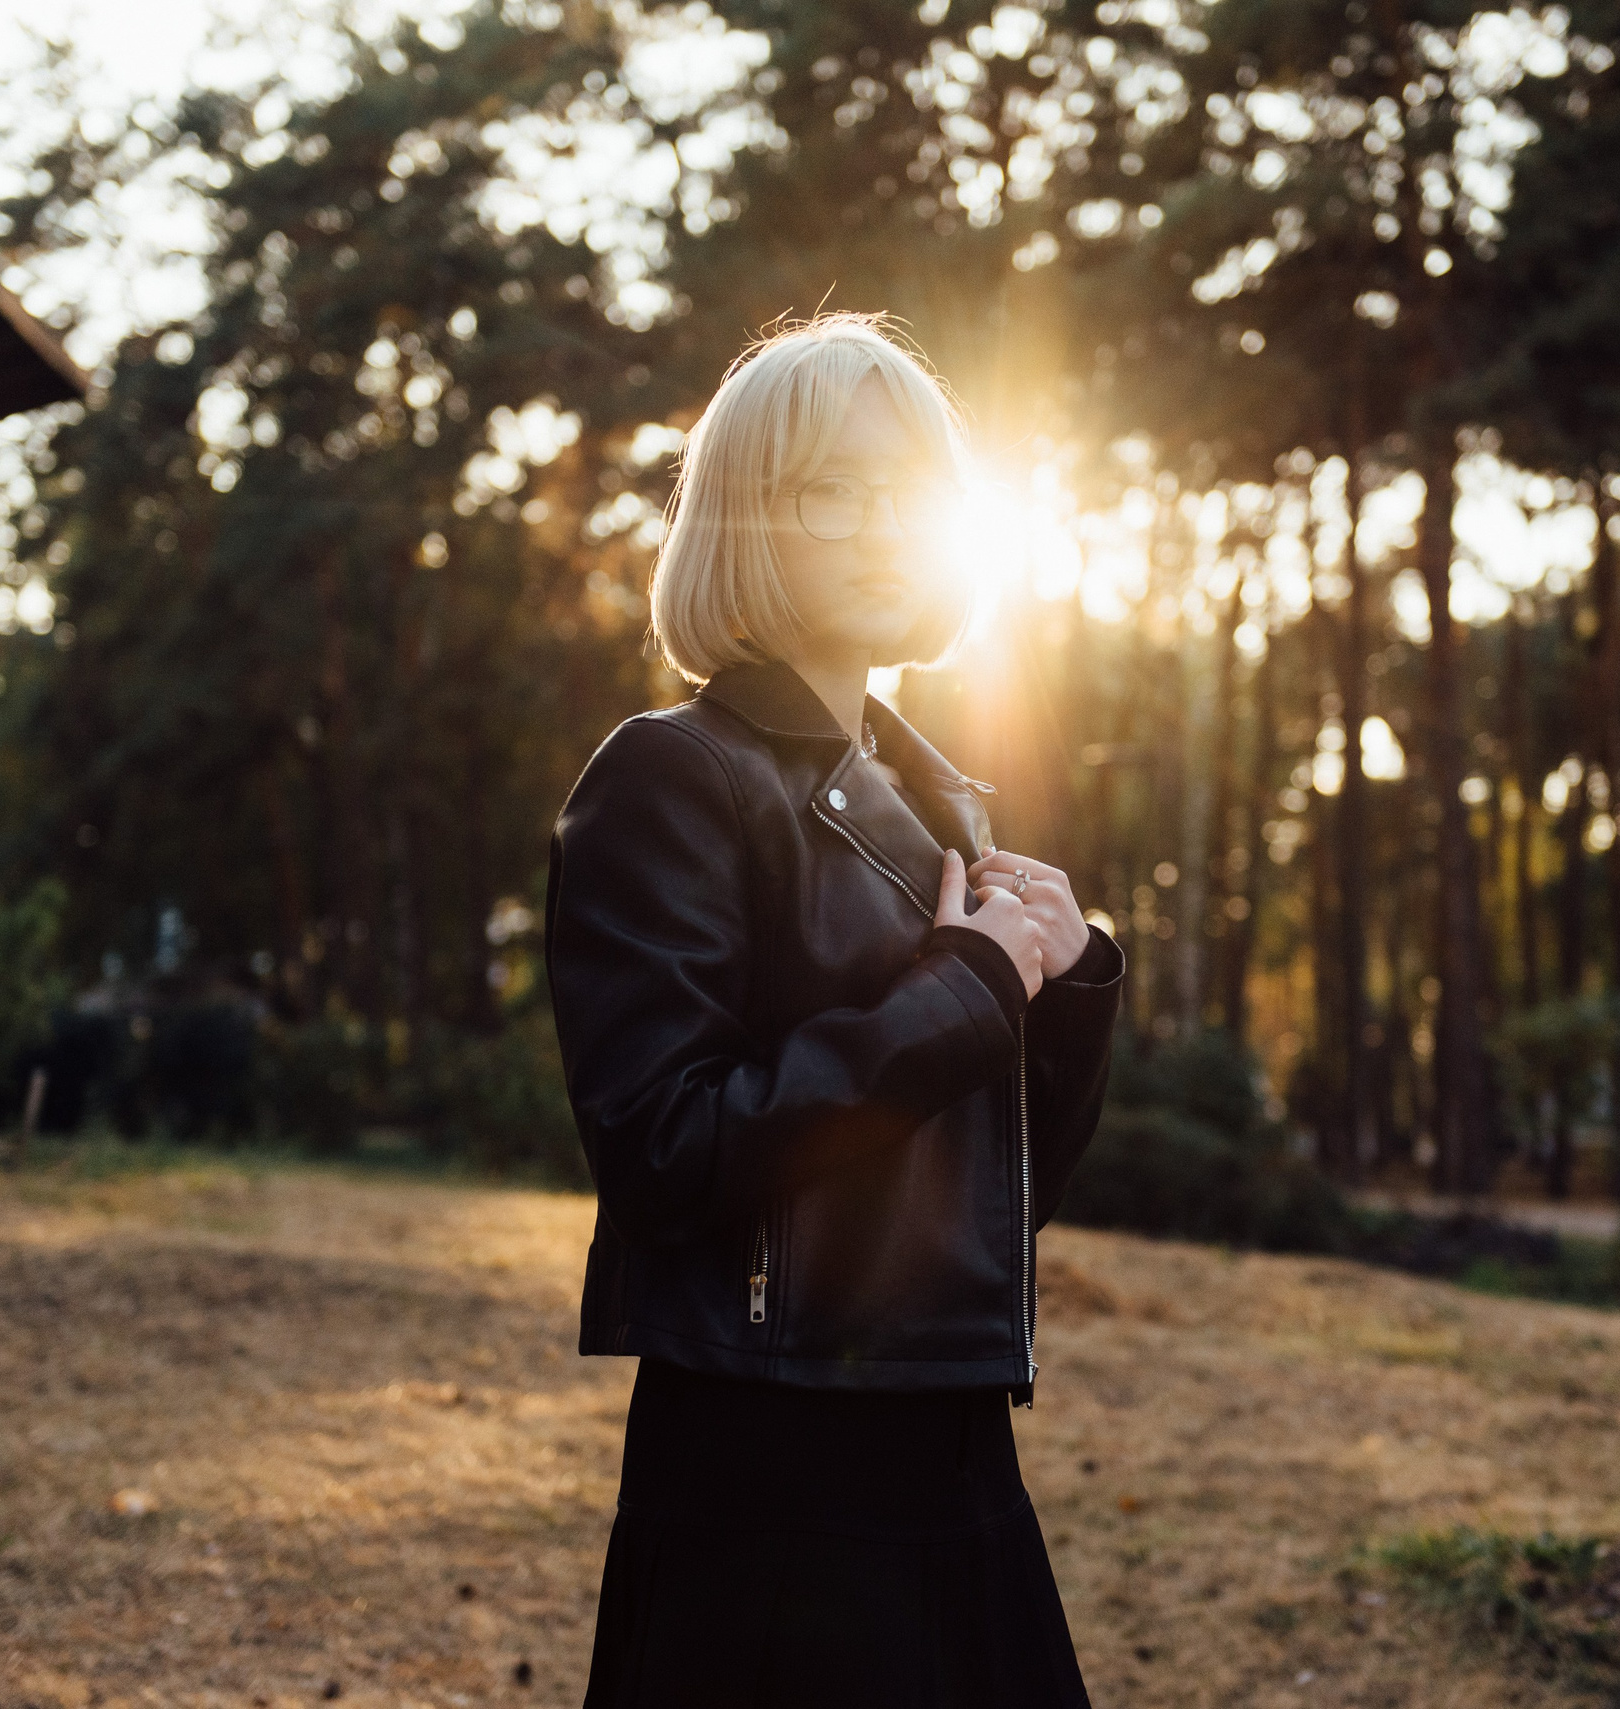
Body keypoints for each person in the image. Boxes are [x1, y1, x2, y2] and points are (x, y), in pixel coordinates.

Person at [545, 314, 1124, 1707]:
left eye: (906, 490)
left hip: (950, 1446)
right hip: (767, 1472)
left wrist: (1066, 977)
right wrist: (969, 982)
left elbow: (983, 1196)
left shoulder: (936, 803)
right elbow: (668, 1151)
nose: (878, 524)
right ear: (747, 522)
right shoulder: (669, 778)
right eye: (827, 490)